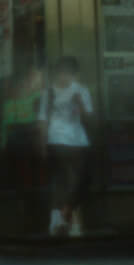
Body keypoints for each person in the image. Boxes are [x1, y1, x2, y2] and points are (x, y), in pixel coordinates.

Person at [40, 56, 94, 238]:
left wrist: (80, 104)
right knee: (63, 181)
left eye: (69, 74)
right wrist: (42, 144)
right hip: (56, 140)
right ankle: (64, 222)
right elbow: (43, 120)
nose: (65, 77)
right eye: (62, 73)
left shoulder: (81, 90)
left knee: (81, 181)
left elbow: (88, 117)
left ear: (74, 74)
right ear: (57, 73)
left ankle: (63, 215)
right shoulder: (49, 92)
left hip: (79, 141)